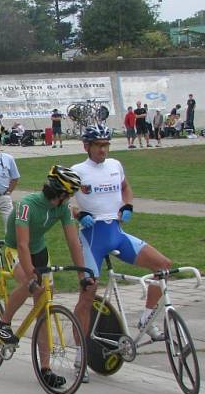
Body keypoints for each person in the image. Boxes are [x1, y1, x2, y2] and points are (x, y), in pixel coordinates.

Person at [72, 124, 173, 347]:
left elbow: (126, 187)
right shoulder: (77, 170)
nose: (103, 150)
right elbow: (63, 204)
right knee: (87, 296)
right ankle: (80, 353)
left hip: (117, 234)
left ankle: (146, 319)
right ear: (87, 146)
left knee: (163, 266)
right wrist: (79, 214)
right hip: (92, 239)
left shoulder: (115, 165)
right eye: (98, 145)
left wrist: (128, 205)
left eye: (106, 145)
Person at [0, 165, 89, 389]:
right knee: (31, 285)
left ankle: (45, 368)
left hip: (39, 251)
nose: (69, 199)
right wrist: (30, 275)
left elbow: (73, 242)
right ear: (59, 192)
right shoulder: (27, 205)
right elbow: (22, 244)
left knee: (45, 301)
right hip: (15, 249)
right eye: (68, 194)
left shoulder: (63, 209)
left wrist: (83, 273)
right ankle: (4, 323)